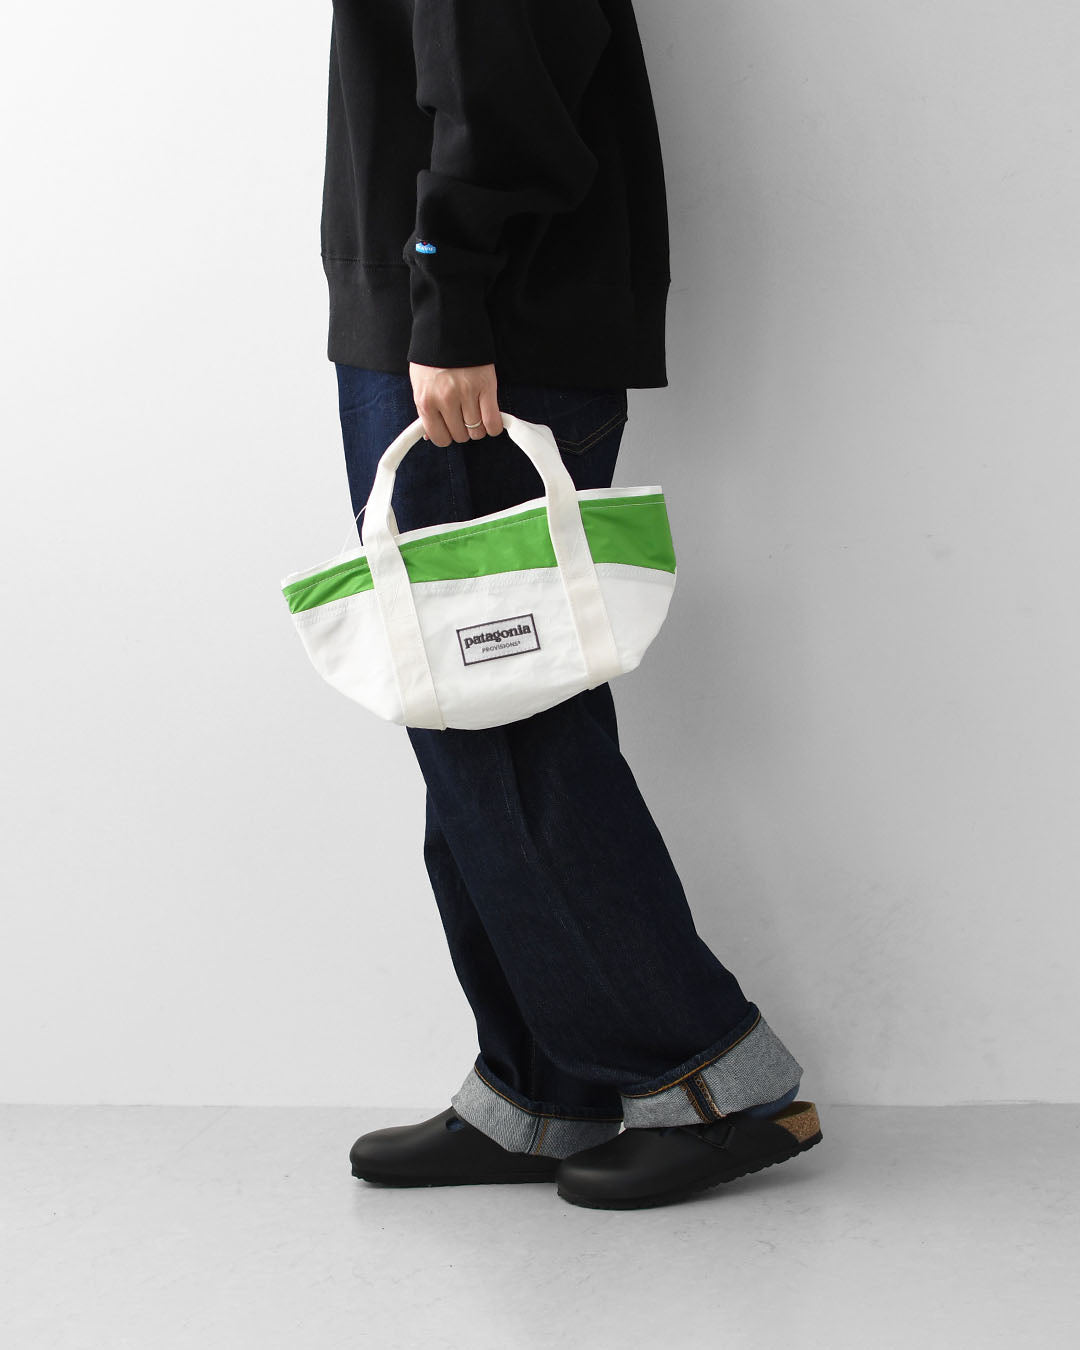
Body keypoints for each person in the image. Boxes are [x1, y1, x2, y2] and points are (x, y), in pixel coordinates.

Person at [321, 0, 821, 1210]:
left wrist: (449, 292)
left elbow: (497, 72)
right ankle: (543, 1085)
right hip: (452, 320)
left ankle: (708, 1076)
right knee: (466, 718)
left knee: (502, 735)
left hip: (482, 332)